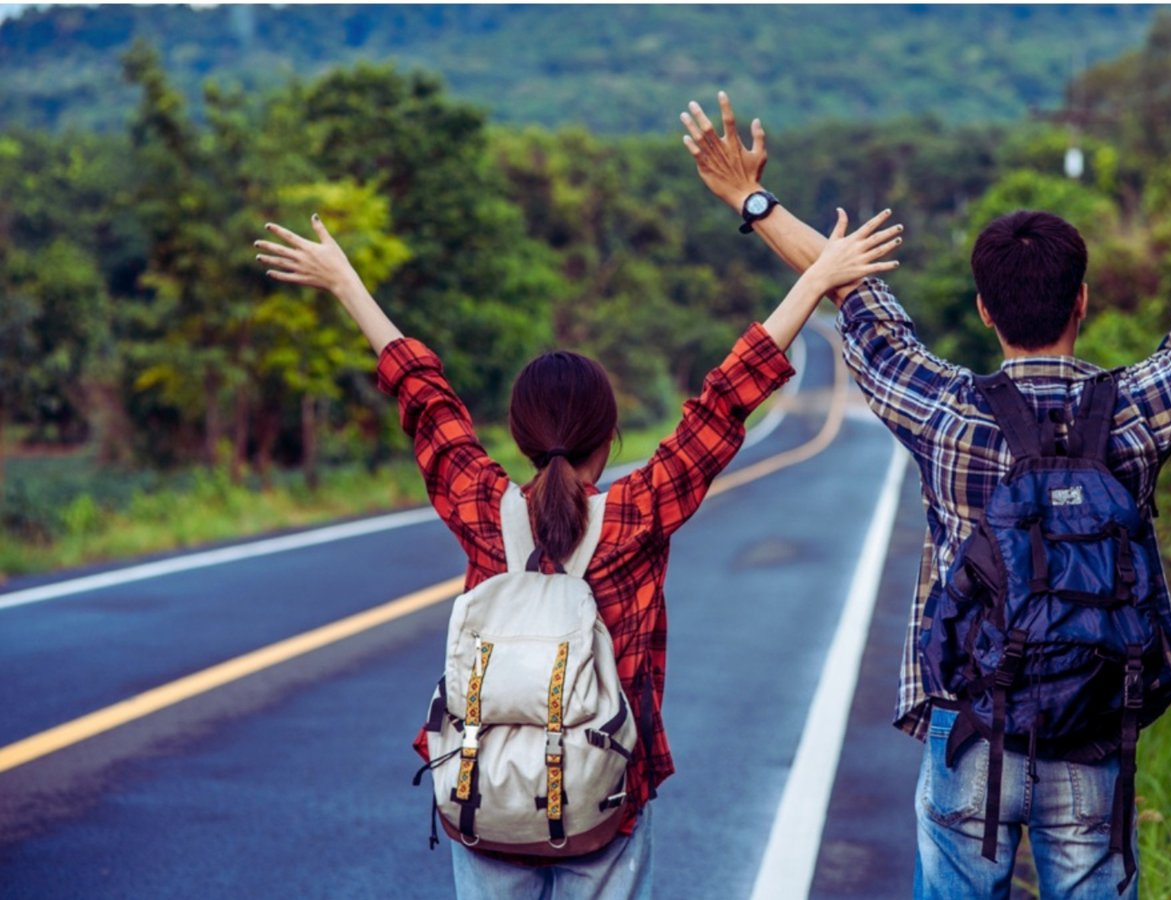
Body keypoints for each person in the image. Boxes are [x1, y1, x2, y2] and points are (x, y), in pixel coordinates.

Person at [680, 69, 1171, 898]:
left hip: (969, 729)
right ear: (1083, 301)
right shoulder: (1137, 411)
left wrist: (754, 201)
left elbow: (849, 289)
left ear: (985, 310)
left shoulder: (945, 412)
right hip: (1093, 728)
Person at [251, 205, 901, 898]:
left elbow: (427, 400)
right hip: (605, 800)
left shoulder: (481, 509)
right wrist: (817, 276)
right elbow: (723, 402)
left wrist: (348, 283)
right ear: (610, 432)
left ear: (519, 433)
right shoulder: (636, 516)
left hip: (489, 793)